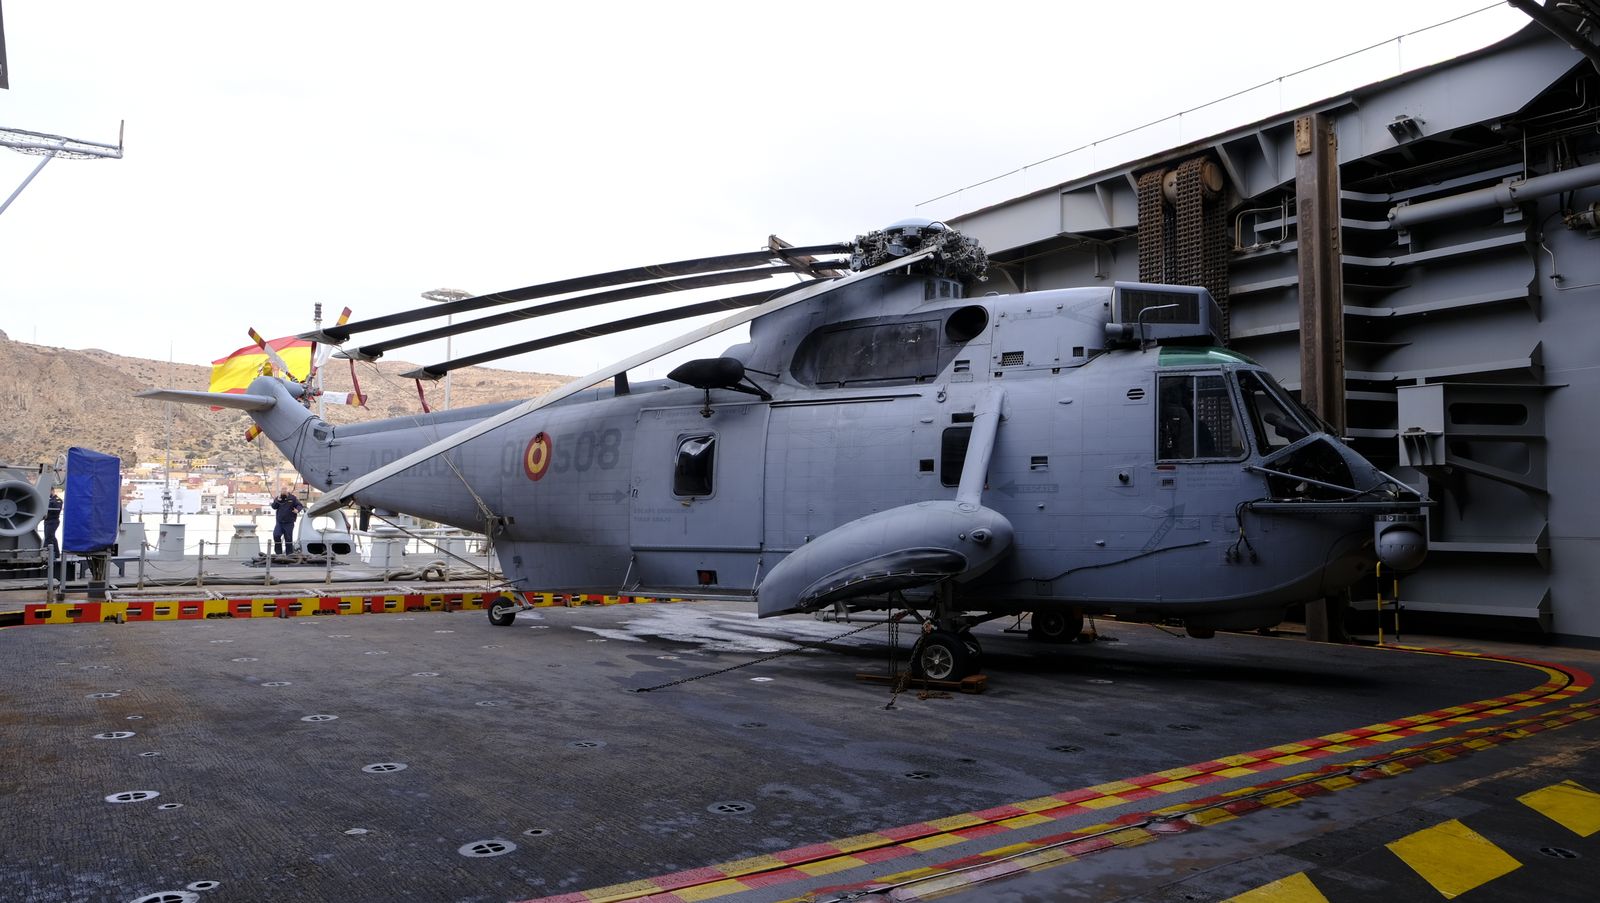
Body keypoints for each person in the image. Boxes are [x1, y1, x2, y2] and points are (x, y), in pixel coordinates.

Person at [270, 489, 304, 555]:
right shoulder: (279, 498)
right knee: (276, 535)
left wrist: (297, 510)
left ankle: (289, 554)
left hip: (289, 523)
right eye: (282, 492)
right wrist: (278, 500)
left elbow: (299, 505)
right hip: (280, 522)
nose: (283, 493)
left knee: (288, 539)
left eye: (284, 492)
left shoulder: (293, 498)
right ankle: (278, 553)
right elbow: (274, 506)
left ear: (287, 492)